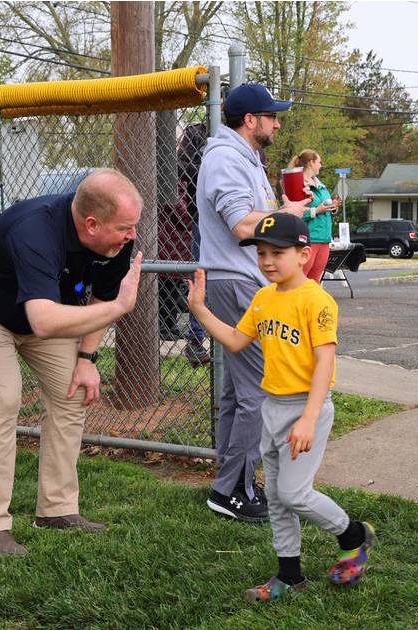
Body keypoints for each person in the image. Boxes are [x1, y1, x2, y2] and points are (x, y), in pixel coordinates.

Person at [0, 168, 145, 555]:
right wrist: (120, 307)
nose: (132, 235)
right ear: (91, 224)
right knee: (4, 397)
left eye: (133, 226)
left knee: (72, 391)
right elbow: (45, 321)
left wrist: (86, 358)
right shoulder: (36, 230)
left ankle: (57, 510)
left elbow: (101, 298)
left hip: (34, 313)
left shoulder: (117, 241)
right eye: (125, 227)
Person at [186, 213, 375, 601]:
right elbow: (237, 341)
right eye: (261, 253)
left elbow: (325, 361)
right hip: (272, 408)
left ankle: (353, 534)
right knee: (275, 496)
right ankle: (289, 576)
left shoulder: (316, 300)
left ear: (304, 254)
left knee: (294, 493)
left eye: (278, 252)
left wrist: (307, 419)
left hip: (306, 409)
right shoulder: (263, 297)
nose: (268, 261)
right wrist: (201, 311)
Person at [197, 82, 311, 523]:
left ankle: (230, 482)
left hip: (235, 280)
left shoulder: (242, 157)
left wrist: (284, 208)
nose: (277, 123)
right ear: (250, 120)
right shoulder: (226, 158)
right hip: (237, 281)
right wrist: (286, 217)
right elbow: (242, 226)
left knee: (235, 393)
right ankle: (232, 490)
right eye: (272, 116)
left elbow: (251, 217)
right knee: (257, 393)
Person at [176, 121, 212, 366]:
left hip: (235, 218)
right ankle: (196, 340)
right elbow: (180, 167)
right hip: (202, 215)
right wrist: (209, 167)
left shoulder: (247, 136)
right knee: (201, 276)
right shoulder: (196, 133)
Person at [287, 149, 338, 283]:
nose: (321, 165)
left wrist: (332, 207)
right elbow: (291, 214)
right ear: (311, 163)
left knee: (315, 282)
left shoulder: (321, 186)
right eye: (319, 162)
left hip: (324, 239)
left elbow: (323, 207)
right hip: (307, 240)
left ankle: (311, 305)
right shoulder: (298, 184)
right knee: (300, 281)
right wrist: (316, 211)